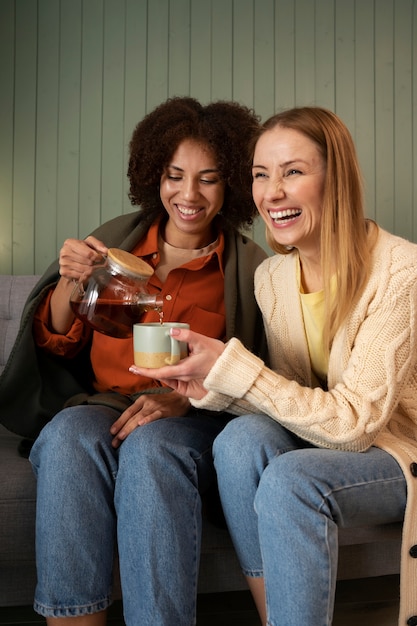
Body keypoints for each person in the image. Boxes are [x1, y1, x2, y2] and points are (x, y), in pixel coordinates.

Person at [131, 106, 417, 626]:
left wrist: (233, 364)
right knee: (239, 441)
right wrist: (207, 384)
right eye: (262, 175)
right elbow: (291, 401)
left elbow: (354, 425)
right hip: (339, 437)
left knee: (290, 479)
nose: (272, 193)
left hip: (401, 450)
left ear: (338, 180)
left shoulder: (403, 272)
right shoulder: (274, 279)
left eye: (293, 172)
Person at [0, 97, 269, 625]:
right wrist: (71, 282)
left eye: (208, 179)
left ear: (232, 184)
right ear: (155, 176)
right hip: (104, 402)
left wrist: (181, 400)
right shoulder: (119, 241)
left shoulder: (248, 269)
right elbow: (59, 341)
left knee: (150, 447)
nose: (188, 195)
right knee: (70, 433)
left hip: (196, 416)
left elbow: (257, 374)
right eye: (174, 176)